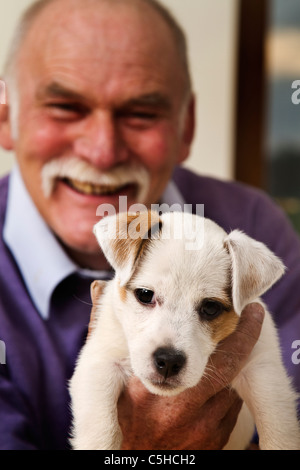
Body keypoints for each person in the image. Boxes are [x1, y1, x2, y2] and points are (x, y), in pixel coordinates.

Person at [0, 0, 299, 450]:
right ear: (6, 116)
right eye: (64, 106)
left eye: (141, 113)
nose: (102, 152)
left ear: (186, 127)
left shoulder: (253, 225)